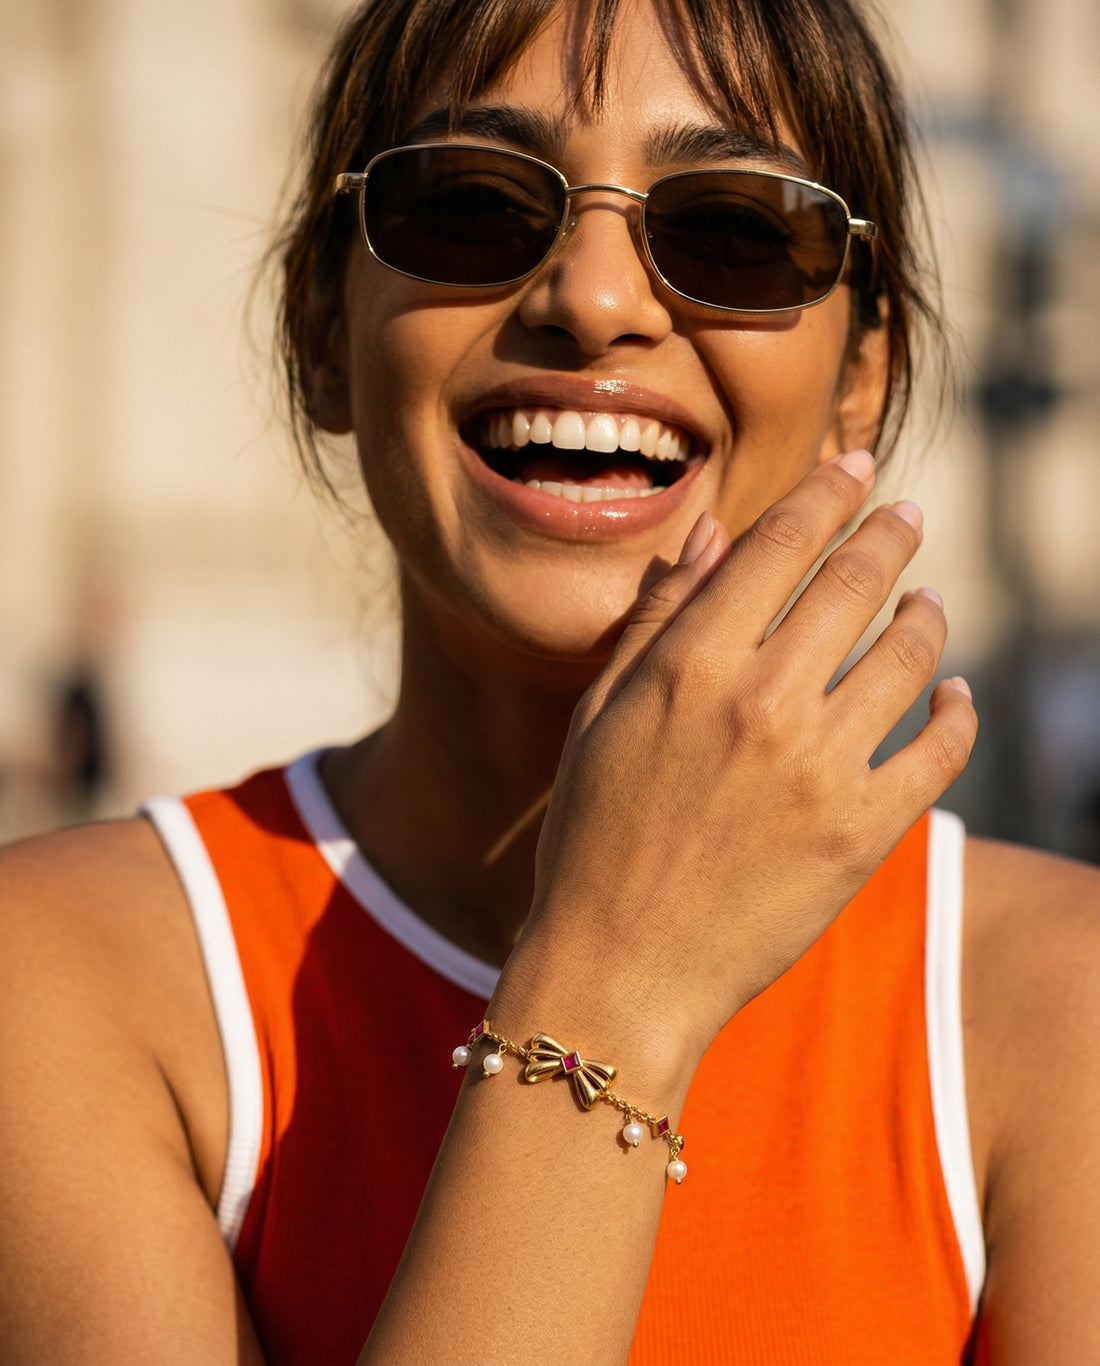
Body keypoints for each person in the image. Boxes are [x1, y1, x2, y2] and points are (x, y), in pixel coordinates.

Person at [2, 0, 1098, 1361]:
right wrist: (612, 978)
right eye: (469, 206)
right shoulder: (66, 982)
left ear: (860, 377)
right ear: (324, 328)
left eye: (734, 229)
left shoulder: (1055, 1005)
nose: (594, 301)